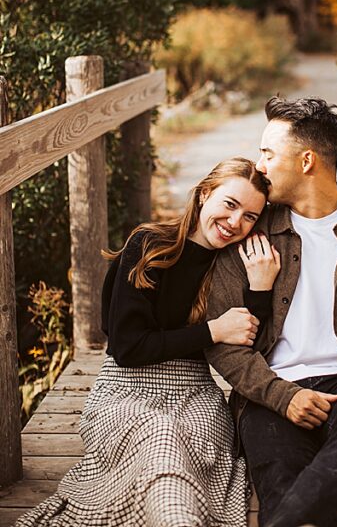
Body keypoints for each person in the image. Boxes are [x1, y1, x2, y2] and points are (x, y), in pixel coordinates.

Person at [17, 157, 278, 527]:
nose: (236, 222)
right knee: (159, 434)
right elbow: (127, 348)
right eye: (230, 204)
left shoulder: (235, 263)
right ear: (205, 194)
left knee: (182, 455)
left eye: (250, 216)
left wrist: (261, 289)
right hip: (125, 390)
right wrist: (212, 331)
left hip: (195, 394)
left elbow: (251, 341)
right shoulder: (150, 245)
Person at [205, 96, 337, 527]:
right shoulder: (246, 232)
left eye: (268, 153)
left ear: (305, 161)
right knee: (278, 472)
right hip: (270, 388)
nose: (259, 165)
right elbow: (225, 350)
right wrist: (286, 396)